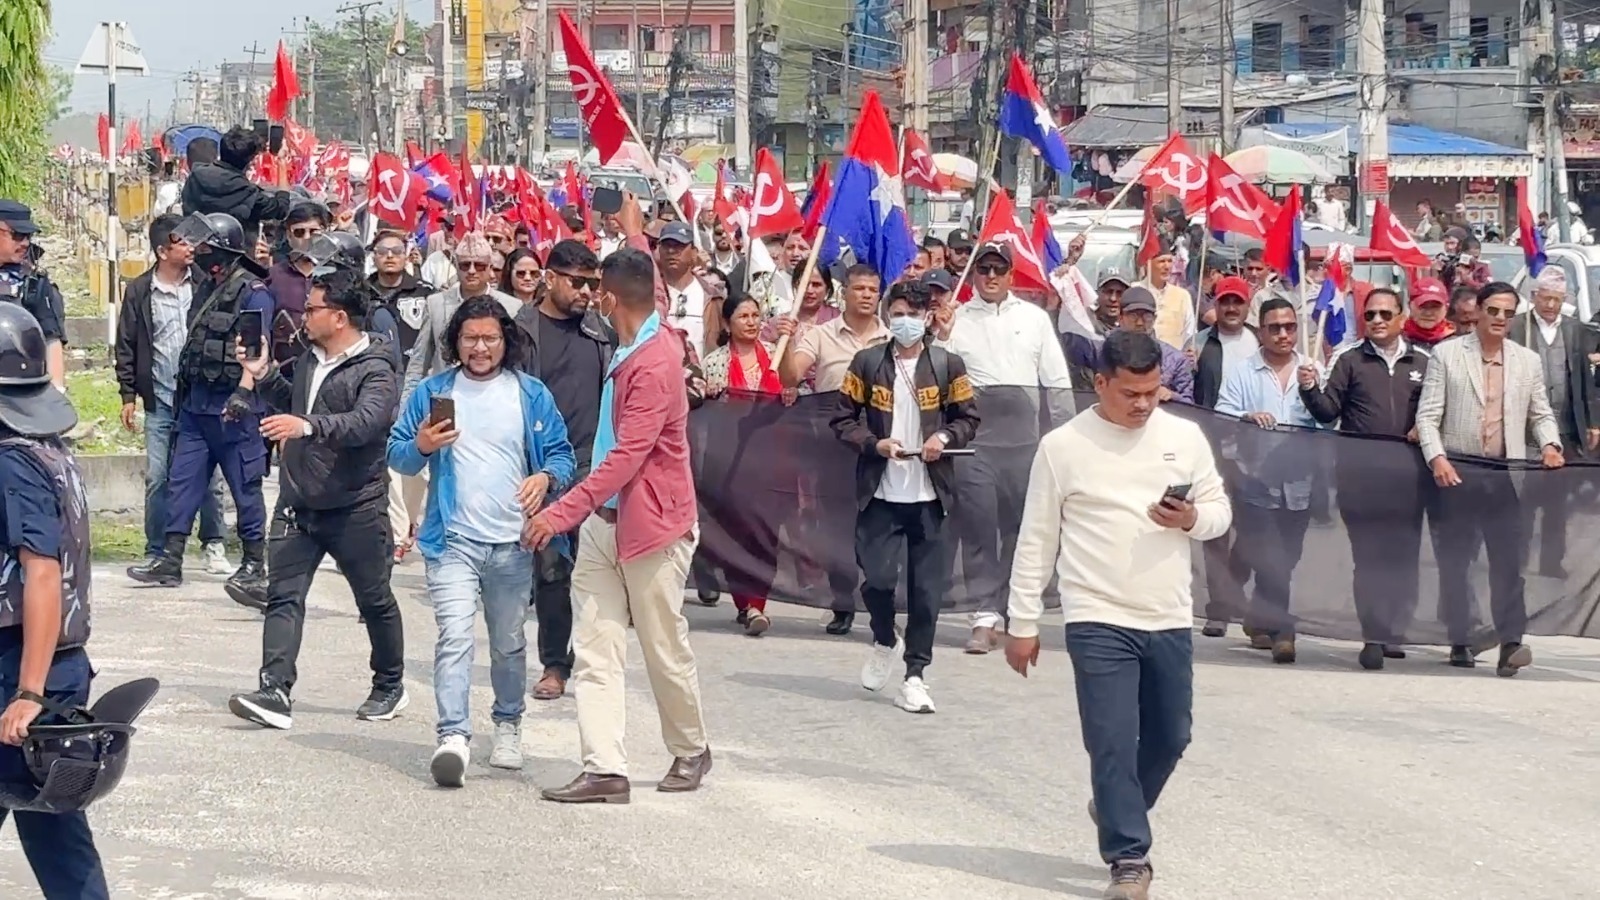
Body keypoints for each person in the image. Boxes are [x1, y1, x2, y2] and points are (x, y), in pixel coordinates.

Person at [1005, 329, 1231, 900]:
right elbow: (1036, 538)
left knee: (1172, 735)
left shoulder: (1184, 436)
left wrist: (1190, 520)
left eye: (1152, 392)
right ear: (1100, 383)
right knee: (1110, 739)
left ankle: (1114, 804)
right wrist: (1022, 623)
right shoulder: (1062, 447)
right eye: (1130, 393)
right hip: (1096, 614)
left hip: (1168, 614)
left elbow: (1220, 512)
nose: (1143, 404)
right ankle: (1129, 858)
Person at [523, 248, 711, 805]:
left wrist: (560, 512)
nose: (588, 296)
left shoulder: (654, 361)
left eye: (594, 287)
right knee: (595, 647)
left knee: (661, 646)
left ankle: (690, 748)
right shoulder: (630, 342)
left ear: (608, 297)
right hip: (603, 523)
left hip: (653, 526)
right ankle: (605, 767)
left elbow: (628, 456)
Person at [389, 297, 575, 786]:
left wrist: (544, 479)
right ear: (455, 342)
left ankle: (508, 723)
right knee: (454, 636)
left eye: (490, 337)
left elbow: (562, 456)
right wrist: (422, 445)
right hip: (452, 540)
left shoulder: (529, 393)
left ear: (505, 341)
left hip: (513, 543)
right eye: (470, 338)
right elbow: (398, 453)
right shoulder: (435, 392)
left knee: (508, 644)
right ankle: (452, 736)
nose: (480, 347)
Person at [226, 240, 408, 729]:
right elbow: (296, 403)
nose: (303, 317)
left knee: (374, 600)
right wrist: (263, 374)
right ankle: (274, 690)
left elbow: (366, 423)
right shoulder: (309, 359)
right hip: (298, 503)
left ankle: (389, 684)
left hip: (355, 506)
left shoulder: (377, 368)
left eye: (312, 309)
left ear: (340, 317)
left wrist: (306, 426)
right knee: (284, 597)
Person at [0, 303, 109, 898]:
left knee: (55, 833)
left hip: (21, 667)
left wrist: (28, 693)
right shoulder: (49, 450)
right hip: (57, 664)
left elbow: (41, 573)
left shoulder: (11, 463)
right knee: (56, 834)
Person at [831, 280, 979, 713]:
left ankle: (915, 675)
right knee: (877, 580)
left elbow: (969, 418)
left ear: (928, 317)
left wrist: (944, 437)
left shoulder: (948, 364)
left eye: (914, 315)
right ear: (887, 316)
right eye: (898, 314)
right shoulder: (867, 362)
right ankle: (884, 637)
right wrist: (873, 443)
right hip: (880, 492)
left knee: (926, 592)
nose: (906, 322)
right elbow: (842, 419)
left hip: (931, 495)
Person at [932, 242, 1075, 654]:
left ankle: (1015, 608)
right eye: (984, 269)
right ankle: (983, 615)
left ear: (1011, 274)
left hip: (1023, 441)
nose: (991, 276)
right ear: (974, 274)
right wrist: (942, 336)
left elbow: (1056, 380)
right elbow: (937, 374)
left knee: (1020, 528)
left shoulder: (1034, 318)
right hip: (976, 439)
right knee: (979, 525)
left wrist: (1066, 439)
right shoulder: (956, 318)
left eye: (999, 269)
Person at [1415, 282, 1563, 676]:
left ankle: (1511, 642)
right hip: (1457, 474)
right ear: (1478, 310)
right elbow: (1427, 417)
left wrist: (1550, 444)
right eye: (1493, 310)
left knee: (1508, 564)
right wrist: (1437, 459)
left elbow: (1540, 414)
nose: (1499, 318)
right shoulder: (1447, 354)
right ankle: (1461, 638)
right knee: (1457, 563)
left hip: (1504, 476)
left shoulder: (1527, 361)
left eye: (1507, 313)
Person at [126, 213, 274, 604]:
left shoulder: (253, 293)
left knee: (245, 489)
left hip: (233, 410)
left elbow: (255, 353)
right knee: (181, 483)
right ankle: (170, 558)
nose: (198, 251)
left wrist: (243, 395)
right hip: (195, 409)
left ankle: (254, 564)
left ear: (223, 250)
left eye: (205, 246)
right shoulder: (206, 287)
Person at [1298, 287, 1431, 670]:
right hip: (1360, 480)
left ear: (1402, 317)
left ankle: (1394, 629)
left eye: (1385, 314)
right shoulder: (1349, 360)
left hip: (1409, 480)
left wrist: (1426, 426)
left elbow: (1438, 410)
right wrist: (1310, 388)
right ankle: (1373, 633)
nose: (1377, 321)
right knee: (1369, 558)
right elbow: (1327, 413)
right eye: (1370, 314)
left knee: (1402, 558)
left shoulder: (1424, 361)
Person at [510, 239, 615, 701]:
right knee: (551, 569)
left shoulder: (602, 333)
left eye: (592, 283)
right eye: (577, 282)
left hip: (594, 465)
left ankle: (596, 663)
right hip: (541, 467)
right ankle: (554, 664)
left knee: (594, 569)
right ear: (550, 278)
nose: (586, 292)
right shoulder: (520, 332)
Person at [114, 213, 234, 576]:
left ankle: (213, 543)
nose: (191, 248)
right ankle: (157, 548)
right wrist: (128, 394)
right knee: (158, 477)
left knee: (209, 477)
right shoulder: (140, 290)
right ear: (162, 251)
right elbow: (126, 343)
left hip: (198, 397)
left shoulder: (204, 283)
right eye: (182, 242)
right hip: (161, 399)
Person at [778, 264, 893, 635]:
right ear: (844, 293)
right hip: (834, 443)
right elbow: (791, 376)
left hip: (881, 442)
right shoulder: (821, 335)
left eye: (872, 289)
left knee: (879, 526)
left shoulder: (893, 338)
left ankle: (881, 607)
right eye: (859, 288)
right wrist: (787, 342)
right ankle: (842, 602)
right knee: (836, 524)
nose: (866, 295)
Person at [1214, 298, 1322, 664]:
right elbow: (1222, 413)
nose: (1283, 334)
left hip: (1300, 483)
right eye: (1274, 328)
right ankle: (1283, 630)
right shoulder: (1243, 370)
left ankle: (1258, 618)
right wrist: (1247, 416)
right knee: (1272, 558)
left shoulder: (1313, 369)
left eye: (1289, 327)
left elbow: (1330, 419)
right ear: (1261, 331)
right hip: (1255, 481)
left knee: (1286, 559)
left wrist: (1313, 391)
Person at [702, 291, 798, 636]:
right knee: (735, 532)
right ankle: (745, 603)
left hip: (770, 462)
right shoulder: (713, 363)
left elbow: (791, 382)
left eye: (756, 316)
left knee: (766, 535)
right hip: (730, 462)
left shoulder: (775, 354)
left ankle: (758, 604)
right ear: (728, 324)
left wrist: (789, 348)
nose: (751, 322)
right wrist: (708, 394)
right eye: (743, 316)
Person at [1509, 267, 1600, 578]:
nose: (1550, 305)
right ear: (1534, 296)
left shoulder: (1574, 330)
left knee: (1557, 503)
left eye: (1556, 300)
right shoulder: (1518, 327)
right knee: (1523, 501)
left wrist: (1593, 423)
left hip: (1565, 427)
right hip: (1525, 430)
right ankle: (1517, 561)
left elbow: (1584, 379)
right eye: (1545, 298)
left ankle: (1551, 562)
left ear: (1565, 300)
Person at [402, 232, 521, 398]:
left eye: (479, 266)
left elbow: (517, 364)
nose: (471, 271)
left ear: (490, 268)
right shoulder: (435, 304)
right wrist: (406, 407)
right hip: (445, 399)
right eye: (465, 265)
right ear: (456, 266)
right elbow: (419, 363)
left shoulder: (512, 307)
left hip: (495, 398)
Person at [180, 126, 293, 247]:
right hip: (233, 253)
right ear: (251, 160)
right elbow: (281, 208)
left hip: (194, 248)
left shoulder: (196, 176)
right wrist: (282, 162)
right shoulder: (246, 191)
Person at [0, 201, 65, 387]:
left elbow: (51, 338)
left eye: (28, 236)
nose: (25, 243)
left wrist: (57, 390)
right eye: (17, 235)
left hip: (17, 383)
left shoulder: (33, 282)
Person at [1110, 286, 1193, 403]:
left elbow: (1189, 404)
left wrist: (1171, 395)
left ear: (1154, 318)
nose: (1140, 323)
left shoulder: (1175, 360)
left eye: (1146, 316)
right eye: (1133, 316)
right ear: (1120, 318)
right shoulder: (1106, 353)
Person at [656, 221, 717, 360]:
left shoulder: (713, 296)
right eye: (666, 246)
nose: (671, 251)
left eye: (679, 246)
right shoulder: (649, 294)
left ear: (694, 253)